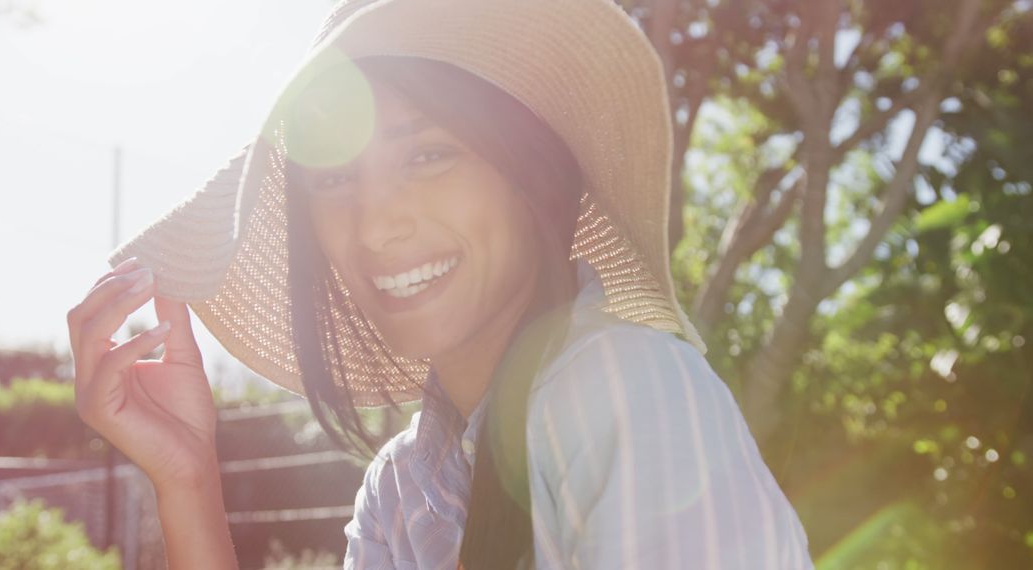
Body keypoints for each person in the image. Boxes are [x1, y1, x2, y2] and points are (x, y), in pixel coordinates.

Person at [66, 0, 814, 568]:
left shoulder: (620, 388)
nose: (375, 224)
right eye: (333, 179)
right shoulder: (401, 489)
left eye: (427, 155)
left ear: (534, 175)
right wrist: (189, 479)